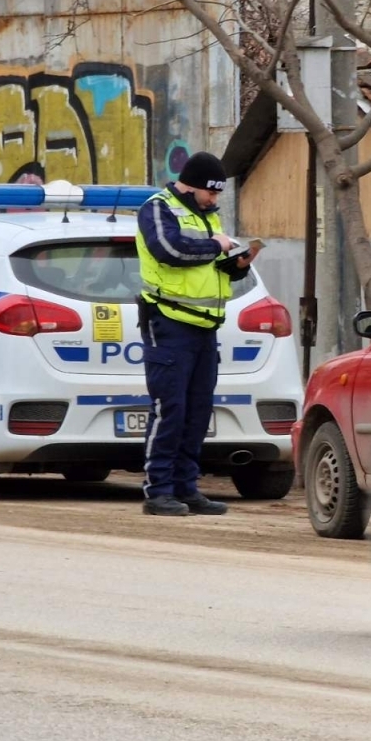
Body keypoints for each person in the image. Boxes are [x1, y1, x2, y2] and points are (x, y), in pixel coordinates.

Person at [135, 151, 257, 517]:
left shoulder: (208, 215)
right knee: (170, 408)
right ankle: (158, 490)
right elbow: (169, 251)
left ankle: (186, 488)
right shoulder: (158, 208)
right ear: (191, 186)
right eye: (211, 192)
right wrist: (215, 245)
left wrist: (236, 265)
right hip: (169, 322)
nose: (214, 199)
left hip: (205, 327)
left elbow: (209, 268)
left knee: (197, 410)